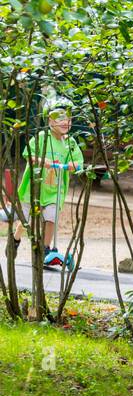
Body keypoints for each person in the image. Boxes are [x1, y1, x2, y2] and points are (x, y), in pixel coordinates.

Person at [2, 97, 85, 270]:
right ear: (49, 120)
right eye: (60, 117)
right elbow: (28, 155)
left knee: (51, 218)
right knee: (27, 218)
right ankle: (15, 238)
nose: (65, 122)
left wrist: (71, 166)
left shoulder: (70, 143)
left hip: (55, 189)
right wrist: (42, 161)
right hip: (35, 188)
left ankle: (45, 250)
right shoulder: (42, 137)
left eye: (68, 118)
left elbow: (78, 162)